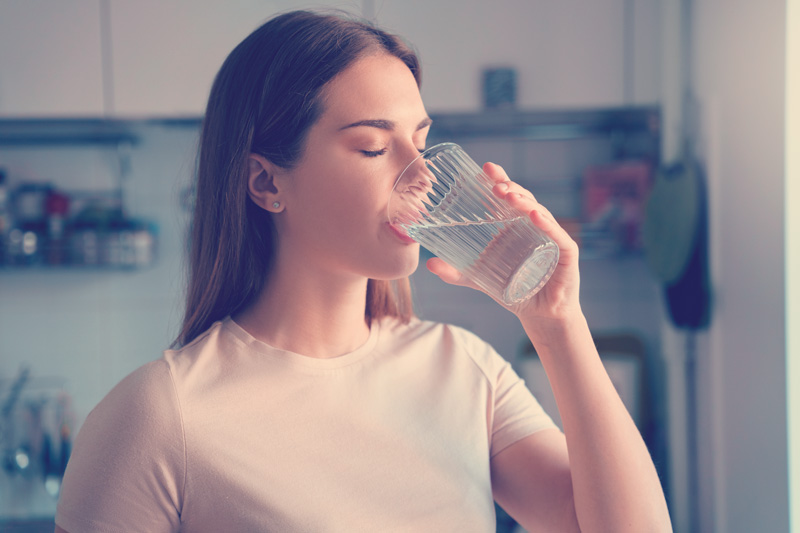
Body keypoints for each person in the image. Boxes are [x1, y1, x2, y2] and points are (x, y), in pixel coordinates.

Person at [54, 9, 671, 533]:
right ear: (267, 182)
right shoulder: (160, 417)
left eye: (421, 141)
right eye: (374, 147)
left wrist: (558, 322)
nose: (422, 175)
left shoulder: (465, 370)